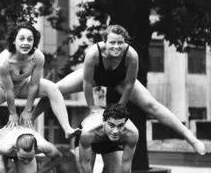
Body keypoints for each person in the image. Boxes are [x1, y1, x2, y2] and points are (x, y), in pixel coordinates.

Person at [31, 24, 205, 155]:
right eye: (112, 43)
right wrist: (92, 108)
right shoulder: (94, 53)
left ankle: (190, 138)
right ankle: (29, 121)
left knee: (152, 105)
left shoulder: (132, 55)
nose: (116, 47)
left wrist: (120, 109)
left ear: (125, 43)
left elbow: (129, 85)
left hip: (120, 81)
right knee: (55, 89)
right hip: (95, 77)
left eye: (120, 43)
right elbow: (87, 83)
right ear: (104, 42)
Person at [0, 22, 79, 154]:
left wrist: (27, 111)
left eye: (30, 39)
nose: (26, 43)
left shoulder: (37, 57)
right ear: (14, 41)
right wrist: (13, 114)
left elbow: (34, 85)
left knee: (52, 87)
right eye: (22, 39)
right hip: (0, 88)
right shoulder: (4, 62)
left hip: (22, 85)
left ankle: (67, 128)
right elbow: (9, 90)